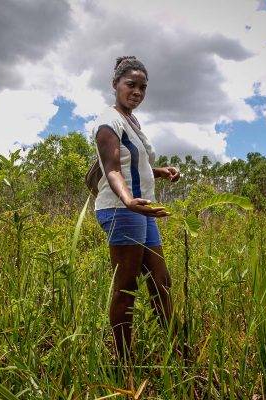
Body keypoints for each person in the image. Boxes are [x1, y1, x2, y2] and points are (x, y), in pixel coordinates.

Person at [92, 56, 180, 362]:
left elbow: (133, 164)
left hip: (142, 209)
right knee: (126, 287)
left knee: (161, 281)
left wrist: (159, 172)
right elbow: (112, 169)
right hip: (121, 209)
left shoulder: (131, 121)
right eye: (131, 85)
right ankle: (123, 360)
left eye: (143, 87)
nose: (137, 92)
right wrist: (128, 200)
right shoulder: (109, 122)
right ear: (115, 84)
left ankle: (175, 349)